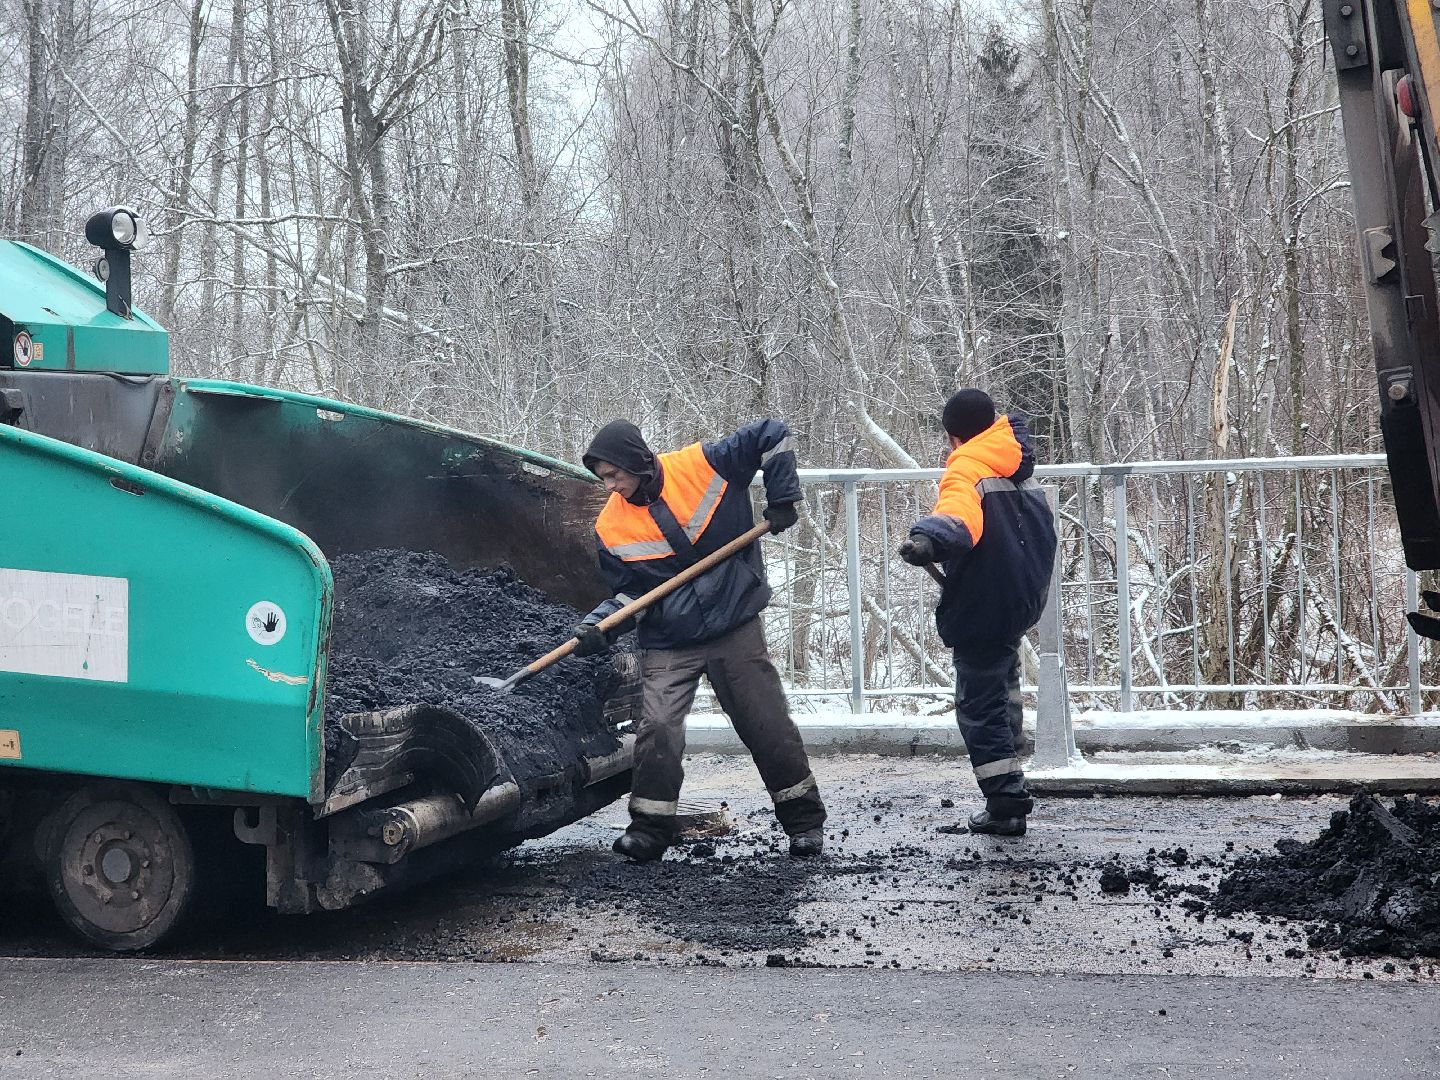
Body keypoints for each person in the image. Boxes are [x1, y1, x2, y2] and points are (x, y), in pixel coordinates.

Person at [573, 418, 827, 861]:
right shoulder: (611, 527)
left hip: (734, 623)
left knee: (765, 722)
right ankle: (651, 828)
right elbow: (632, 595)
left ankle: (804, 823)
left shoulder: (705, 464)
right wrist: (603, 626)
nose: (611, 486)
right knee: (659, 729)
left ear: (638, 461)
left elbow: (773, 432)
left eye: (614, 475)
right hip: (671, 639)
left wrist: (783, 495)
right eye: (603, 479)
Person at [899, 389, 1057, 837]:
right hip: (1019, 596)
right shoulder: (1013, 462)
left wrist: (926, 540)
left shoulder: (966, 467)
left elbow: (959, 519)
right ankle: (1010, 779)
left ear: (953, 438)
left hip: (985, 600)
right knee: (1001, 689)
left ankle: (1005, 803)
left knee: (979, 704)